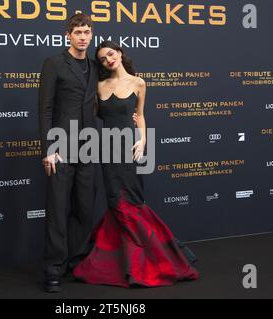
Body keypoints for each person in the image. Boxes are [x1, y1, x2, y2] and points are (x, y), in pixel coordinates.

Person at [73, 41, 200, 287]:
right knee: (115, 202)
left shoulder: (138, 83)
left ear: (119, 53)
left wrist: (143, 142)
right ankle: (123, 261)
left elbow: (140, 116)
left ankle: (146, 259)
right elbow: (92, 114)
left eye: (110, 54)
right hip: (108, 148)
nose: (108, 59)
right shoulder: (98, 86)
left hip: (132, 147)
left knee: (132, 201)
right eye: (102, 59)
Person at [38, 13, 98, 293]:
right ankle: (53, 269)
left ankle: (77, 264)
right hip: (60, 148)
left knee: (84, 210)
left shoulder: (96, 66)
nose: (83, 37)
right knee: (58, 211)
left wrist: (135, 116)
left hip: (89, 148)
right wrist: (48, 149)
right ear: (68, 36)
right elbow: (45, 109)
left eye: (87, 32)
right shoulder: (54, 64)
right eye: (78, 32)